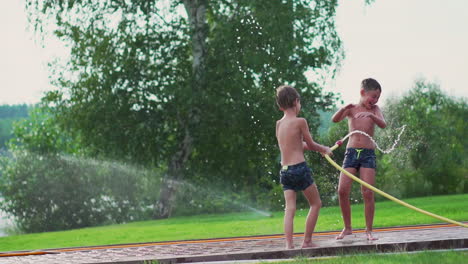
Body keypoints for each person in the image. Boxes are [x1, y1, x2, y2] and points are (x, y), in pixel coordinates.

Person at [275, 85, 332, 249]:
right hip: (300, 168)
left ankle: (289, 244)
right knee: (316, 204)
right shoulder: (300, 121)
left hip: (285, 171)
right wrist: (325, 149)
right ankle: (307, 241)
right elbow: (312, 144)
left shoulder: (279, 124)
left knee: (289, 208)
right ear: (296, 102)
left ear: (280, 106)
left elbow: (293, 145)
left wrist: (319, 148)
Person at [331, 78, 387, 241]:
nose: (375, 100)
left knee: (367, 192)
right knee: (342, 190)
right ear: (363, 93)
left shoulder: (375, 110)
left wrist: (371, 115)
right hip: (351, 153)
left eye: (377, 98)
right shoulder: (352, 109)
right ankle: (347, 228)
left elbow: (383, 124)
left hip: (368, 154)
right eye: (373, 97)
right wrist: (343, 108)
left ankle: (369, 230)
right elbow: (335, 120)